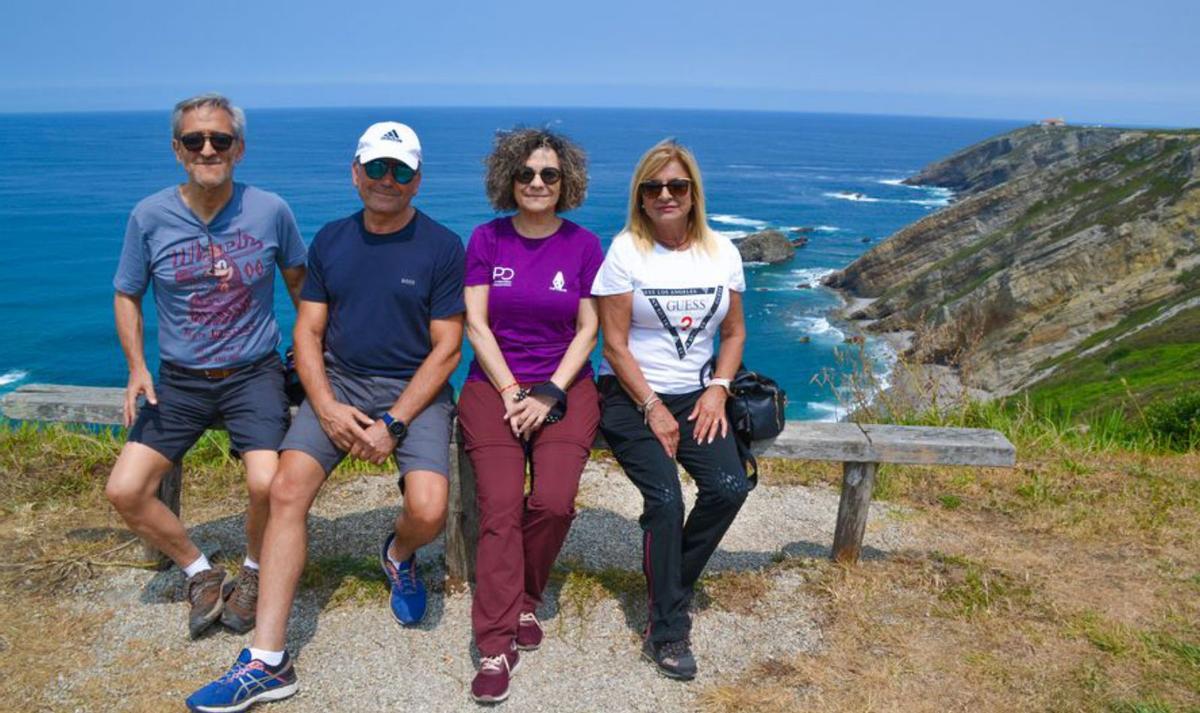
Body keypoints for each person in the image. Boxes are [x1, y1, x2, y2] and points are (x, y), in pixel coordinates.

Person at [186, 121, 465, 712]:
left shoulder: (442, 246)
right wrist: (330, 408)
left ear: (418, 181)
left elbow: (447, 349)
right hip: (337, 382)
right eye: (377, 168)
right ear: (356, 172)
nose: (387, 180)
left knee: (429, 509)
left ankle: (396, 553)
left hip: (412, 388)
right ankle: (267, 660)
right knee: (286, 490)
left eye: (401, 171)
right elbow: (307, 332)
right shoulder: (332, 240)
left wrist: (393, 422)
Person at [106, 92, 306, 639]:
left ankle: (253, 573)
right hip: (179, 380)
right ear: (178, 149)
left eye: (220, 139)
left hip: (253, 374)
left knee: (267, 483)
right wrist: (135, 366)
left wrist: (311, 353)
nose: (208, 148)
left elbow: (301, 284)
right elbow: (127, 294)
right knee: (125, 491)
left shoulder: (271, 210)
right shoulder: (149, 216)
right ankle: (199, 570)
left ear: (239, 148)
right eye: (195, 140)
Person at [591, 139, 750, 681]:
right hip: (631, 397)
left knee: (730, 487)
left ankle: (669, 583)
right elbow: (613, 345)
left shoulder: (722, 252)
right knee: (664, 500)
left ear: (692, 194)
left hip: (698, 397)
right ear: (640, 195)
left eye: (676, 186)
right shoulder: (625, 252)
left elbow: (734, 331)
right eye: (653, 186)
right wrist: (653, 406)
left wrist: (720, 387)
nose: (665, 195)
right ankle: (668, 626)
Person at [458, 128, 603, 703]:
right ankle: (496, 644)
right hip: (493, 387)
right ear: (508, 180)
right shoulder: (487, 239)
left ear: (565, 181)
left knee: (552, 501)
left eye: (548, 174)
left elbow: (588, 328)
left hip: (564, 387)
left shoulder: (585, 245)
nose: (537, 183)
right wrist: (514, 390)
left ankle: (523, 598)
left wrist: (547, 392)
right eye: (526, 174)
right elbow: (476, 324)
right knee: (498, 506)